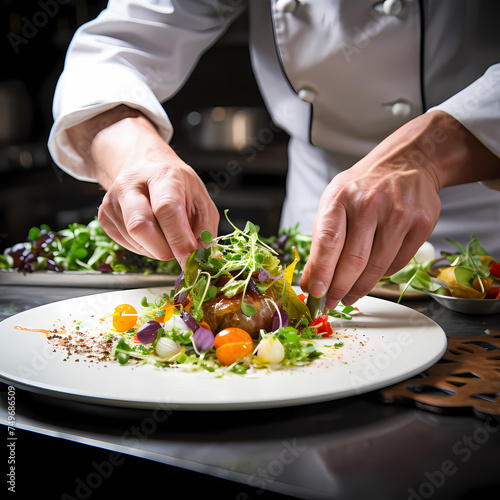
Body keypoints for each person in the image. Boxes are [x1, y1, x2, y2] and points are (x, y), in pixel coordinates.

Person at [48, 0, 500, 310]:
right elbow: (111, 52)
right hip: (315, 218)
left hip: (481, 222)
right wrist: (135, 156)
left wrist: (425, 155)